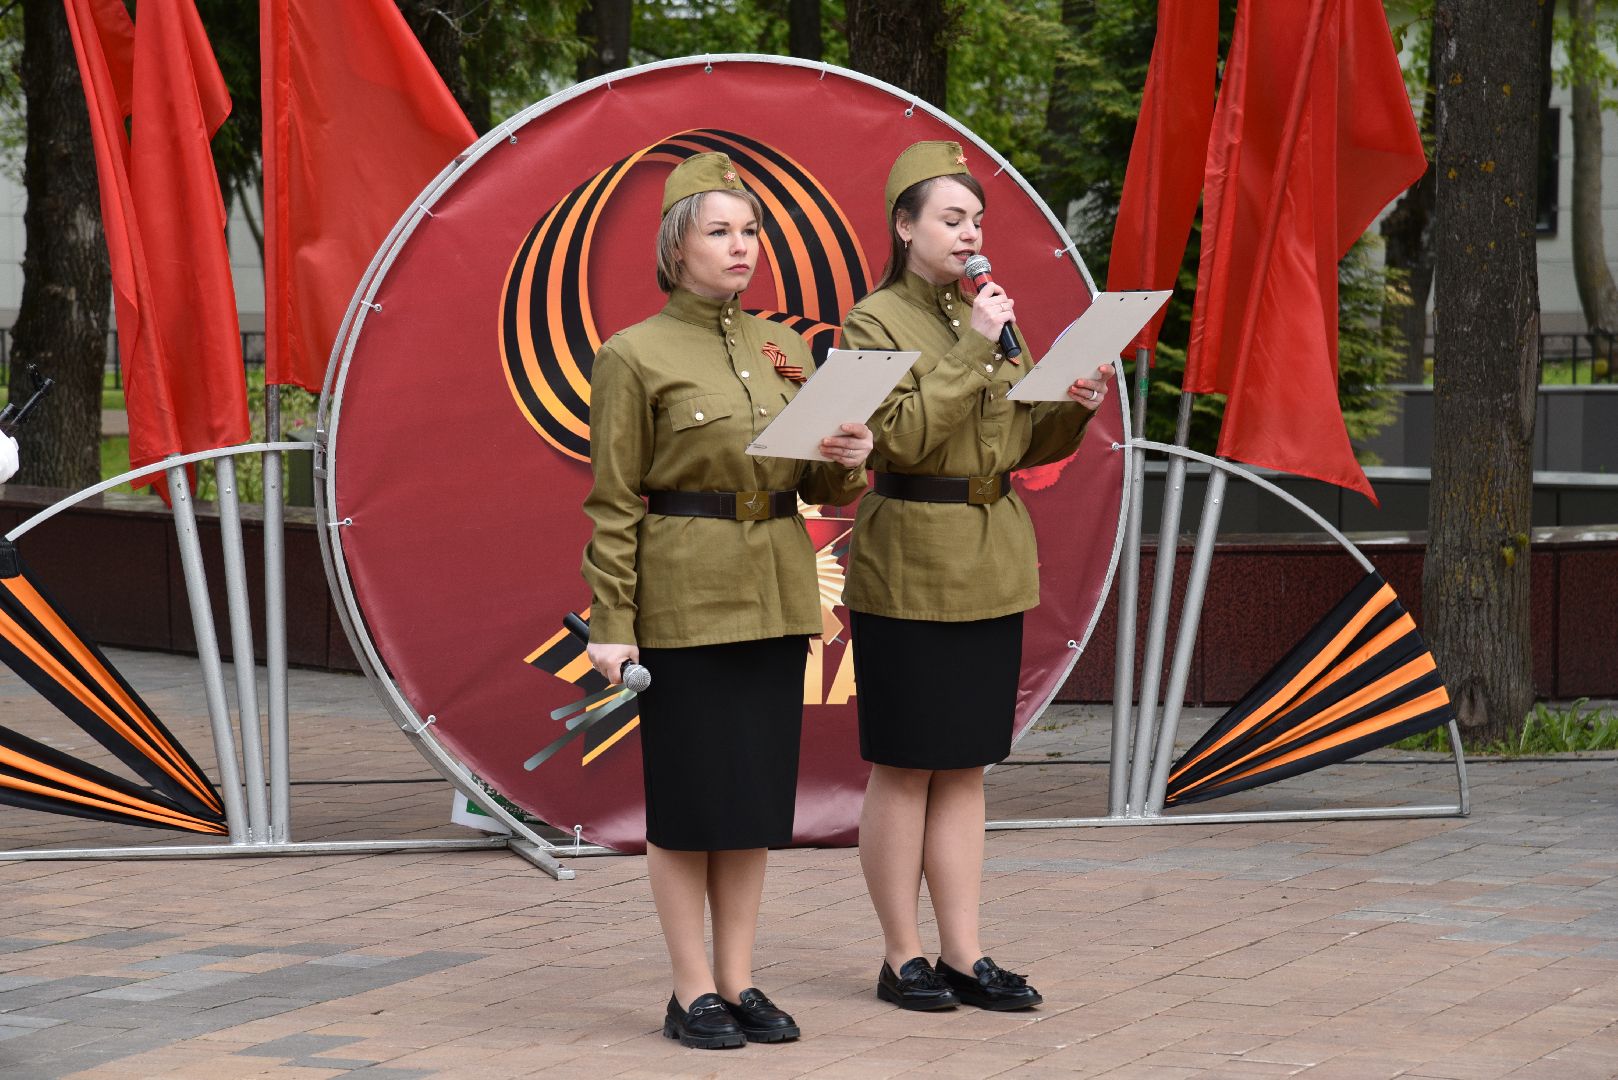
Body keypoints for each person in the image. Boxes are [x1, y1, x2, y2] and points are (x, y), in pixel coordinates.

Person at [581, 152, 874, 1050]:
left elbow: (815, 479)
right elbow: (614, 502)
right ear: (677, 249)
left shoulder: (779, 348)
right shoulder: (633, 354)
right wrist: (612, 627)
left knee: (749, 802)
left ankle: (740, 979)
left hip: (776, 594)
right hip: (684, 598)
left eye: (750, 231)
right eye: (720, 232)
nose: (742, 247)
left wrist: (849, 452)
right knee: (689, 803)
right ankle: (690, 989)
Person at [840, 140, 1112, 1013]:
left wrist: (1071, 406)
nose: (969, 235)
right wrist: (972, 341)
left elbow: (1016, 442)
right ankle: (901, 955)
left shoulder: (985, 316)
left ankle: (964, 951)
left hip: (992, 557)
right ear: (904, 226)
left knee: (964, 765)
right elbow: (902, 438)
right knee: (906, 763)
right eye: (951, 219)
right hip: (912, 556)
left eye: (977, 221)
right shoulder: (871, 323)